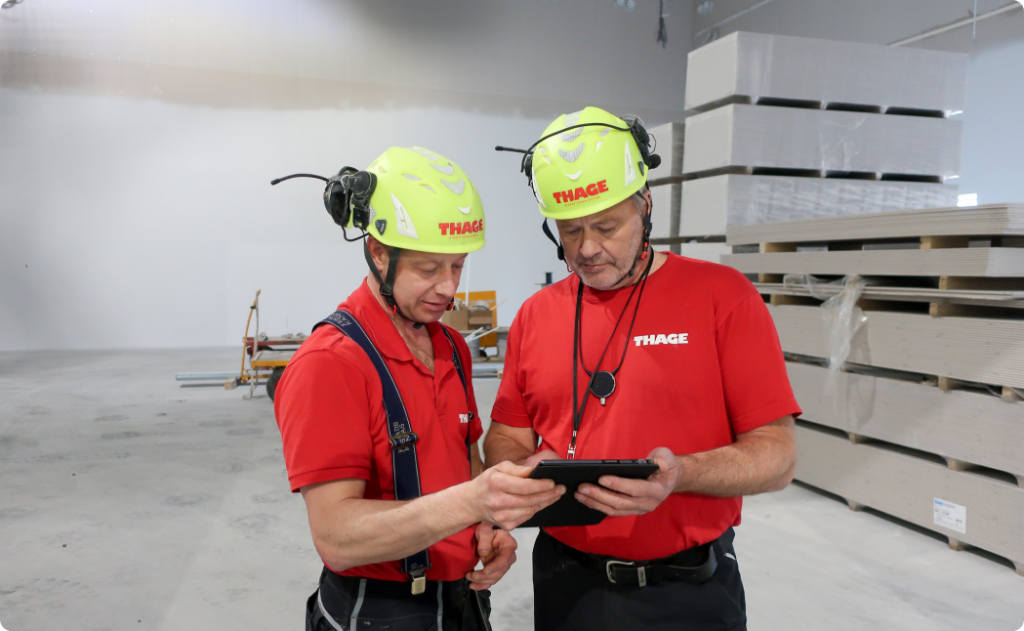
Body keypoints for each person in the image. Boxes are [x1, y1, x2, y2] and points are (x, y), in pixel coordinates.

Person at [485, 108, 802, 631]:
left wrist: (681, 474)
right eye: (570, 231)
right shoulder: (536, 315)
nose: (587, 248)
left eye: (607, 226)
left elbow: (778, 456)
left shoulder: (722, 298)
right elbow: (506, 435)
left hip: (689, 592)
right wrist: (521, 473)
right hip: (566, 583)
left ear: (646, 205)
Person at [273, 146, 565, 631]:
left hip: (462, 603)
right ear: (378, 252)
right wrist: (473, 503)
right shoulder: (331, 364)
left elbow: (464, 464)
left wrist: (486, 529)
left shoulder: (452, 346)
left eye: (457, 266)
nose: (448, 289)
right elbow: (336, 538)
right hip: (378, 610)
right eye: (429, 269)